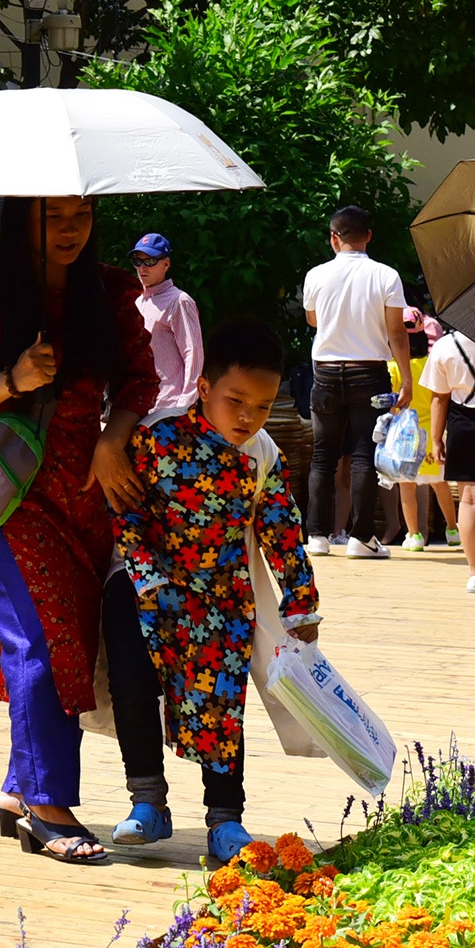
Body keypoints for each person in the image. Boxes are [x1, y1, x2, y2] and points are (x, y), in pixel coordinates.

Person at [0, 195, 157, 865]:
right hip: (10, 493)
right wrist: (13, 378)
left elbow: (142, 381)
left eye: (81, 215)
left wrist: (114, 439)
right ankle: (45, 804)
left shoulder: (110, 290)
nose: (70, 229)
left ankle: (16, 787)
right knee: (41, 639)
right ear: (20, 219)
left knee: (71, 642)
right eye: (52, 215)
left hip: (86, 493)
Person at [112, 319, 322, 863]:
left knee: (222, 708)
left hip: (223, 601)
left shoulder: (262, 457)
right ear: (203, 387)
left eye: (263, 404)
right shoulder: (156, 439)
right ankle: (147, 803)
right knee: (134, 689)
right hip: (148, 591)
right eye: (236, 400)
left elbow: (282, 527)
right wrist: (146, 574)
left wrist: (301, 602)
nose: (248, 416)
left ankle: (225, 820)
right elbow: (127, 512)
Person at [301, 205, 412, 560]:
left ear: (334, 238)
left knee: (323, 455)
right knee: (365, 452)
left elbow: (313, 320)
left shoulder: (316, 274)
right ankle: (361, 538)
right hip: (370, 370)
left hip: (326, 370)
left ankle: (317, 535)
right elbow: (397, 330)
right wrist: (406, 378)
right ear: (369, 236)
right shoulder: (386, 275)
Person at [421, 320, 475, 592]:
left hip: (461, 420)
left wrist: (435, 439)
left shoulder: (444, 346)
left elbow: (439, 398)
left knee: (468, 499)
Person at [389, 309, 453, 554]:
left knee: (406, 485)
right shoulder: (431, 363)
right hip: (432, 430)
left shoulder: (394, 367)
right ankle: (452, 529)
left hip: (405, 433)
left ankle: (413, 534)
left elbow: (392, 402)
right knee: (440, 482)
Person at [131, 233, 202, 414]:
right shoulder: (137, 302)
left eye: (150, 261)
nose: (142, 268)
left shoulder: (179, 301)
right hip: (139, 405)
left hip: (169, 406)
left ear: (166, 264)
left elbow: (193, 353)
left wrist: (184, 405)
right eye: (138, 261)